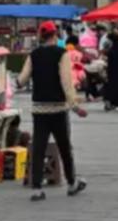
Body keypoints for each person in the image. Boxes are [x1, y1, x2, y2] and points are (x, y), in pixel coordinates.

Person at [18, 21, 88, 201]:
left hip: (39, 108)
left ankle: (36, 188)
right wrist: (74, 106)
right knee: (64, 146)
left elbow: (22, 79)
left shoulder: (33, 55)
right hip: (57, 108)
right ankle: (72, 183)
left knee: (39, 147)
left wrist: (17, 82)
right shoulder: (61, 54)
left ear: (41, 36)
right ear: (55, 35)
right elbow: (67, 82)